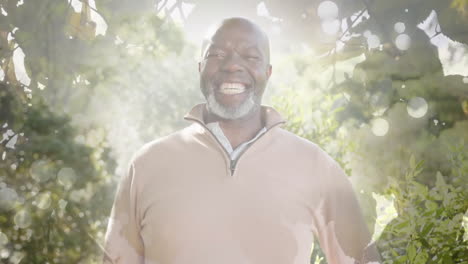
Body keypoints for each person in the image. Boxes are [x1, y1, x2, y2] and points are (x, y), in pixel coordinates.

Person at [103, 17, 381, 264]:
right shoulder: (147, 164)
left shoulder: (316, 166)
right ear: (200, 68)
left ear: (268, 73)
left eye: (250, 57)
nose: (233, 65)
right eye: (217, 54)